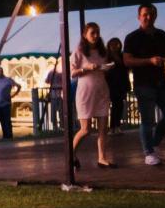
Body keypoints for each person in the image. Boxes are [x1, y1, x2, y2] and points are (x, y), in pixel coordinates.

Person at [122, 2, 165, 166]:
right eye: (145, 14)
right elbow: (127, 61)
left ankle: (153, 144)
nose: (148, 17)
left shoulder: (161, 34)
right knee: (147, 120)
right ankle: (148, 153)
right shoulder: (132, 37)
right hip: (144, 84)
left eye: (152, 14)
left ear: (156, 16)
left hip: (162, 82)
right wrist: (149, 61)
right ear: (139, 17)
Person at [70, 22, 114, 169]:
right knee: (86, 130)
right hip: (85, 93)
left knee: (103, 128)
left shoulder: (103, 51)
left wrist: (107, 67)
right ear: (85, 35)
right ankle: (71, 154)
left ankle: (102, 158)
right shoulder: (78, 52)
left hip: (101, 90)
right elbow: (72, 73)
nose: (95, 36)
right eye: (92, 33)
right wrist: (86, 68)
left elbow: (104, 67)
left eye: (97, 32)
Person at [105, 37, 129, 133]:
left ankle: (116, 126)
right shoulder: (107, 57)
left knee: (119, 105)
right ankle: (114, 127)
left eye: (118, 44)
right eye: (114, 44)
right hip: (112, 84)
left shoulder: (122, 56)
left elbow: (126, 70)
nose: (117, 46)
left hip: (121, 84)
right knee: (116, 105)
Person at [0, 67, 21, 140]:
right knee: (2, 121)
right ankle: (5, 136)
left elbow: (19, 86)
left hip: (6, 104)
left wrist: (14, 95)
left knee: (7, 120)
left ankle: (9, 135)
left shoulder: (8, 80)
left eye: (0, 71)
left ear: (2, 71)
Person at [45, 63, 66, 132]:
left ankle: (55, 126)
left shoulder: (50, 73)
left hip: (53, 95)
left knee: (53, 112)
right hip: (60, 95)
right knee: (61, 111)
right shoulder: (61, 74)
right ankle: (62, 125)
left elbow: (46, 81)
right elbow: (64, 81)